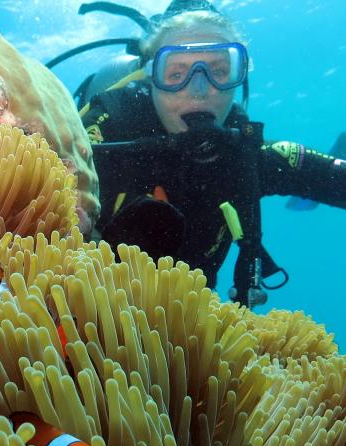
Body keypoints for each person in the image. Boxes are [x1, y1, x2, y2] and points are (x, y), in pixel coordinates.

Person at [79, 0, 346, 307]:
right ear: (151, 75)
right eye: (177, 72)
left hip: (183, 341)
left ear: (239, 78)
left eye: (219, 71)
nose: (199, 89)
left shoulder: (245, 155)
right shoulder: (107, 130)